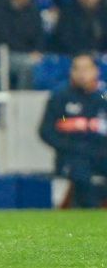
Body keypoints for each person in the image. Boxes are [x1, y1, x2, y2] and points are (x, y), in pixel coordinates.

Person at [39, 54, 107, 208]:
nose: (82, 73)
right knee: (82, 177)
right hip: (72, 156)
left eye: (87, 68)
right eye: (78, 69)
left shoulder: (103, 98)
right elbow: (46, 131)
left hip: (101, 154)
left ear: (96, 71)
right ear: (71, 72)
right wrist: (70, 147)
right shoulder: (60, 98)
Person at [0, 0, 45, 89]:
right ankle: (23, 100)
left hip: (32, 54)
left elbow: (40, 35)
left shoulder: (34, 10)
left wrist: (38, 51)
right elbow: (4, 37)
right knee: (27, 65)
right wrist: (29, 53)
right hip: (7, 54)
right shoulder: (0, 9)